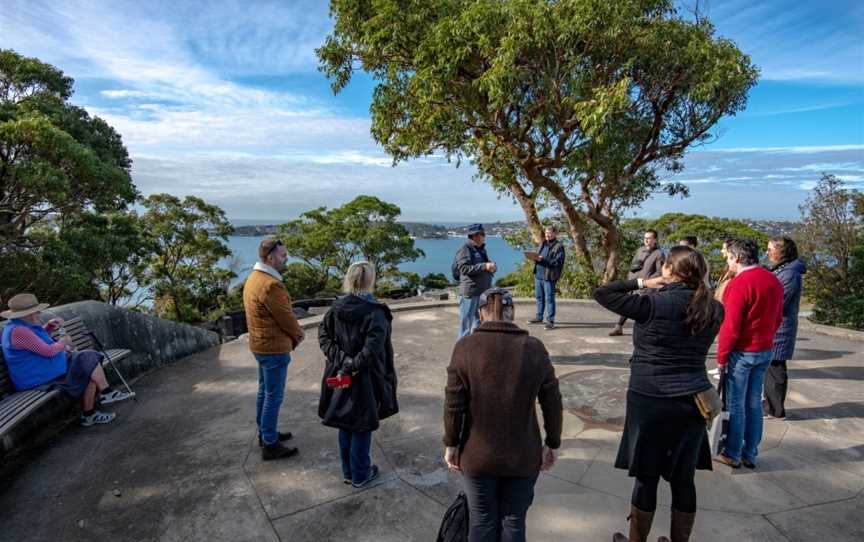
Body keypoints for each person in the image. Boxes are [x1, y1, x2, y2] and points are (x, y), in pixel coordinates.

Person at [594, 246, 724, 542]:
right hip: (692, 400)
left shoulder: (653, 303)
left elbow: (603, 293)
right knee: (683, 479)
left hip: (648, 398)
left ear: (668, 269)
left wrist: (641, 283)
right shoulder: (715, 308)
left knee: (646, 477)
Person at [443, 288, 562, 542]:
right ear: (512, 313)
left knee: (482, 519)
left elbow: (454, 404)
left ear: (479, 314)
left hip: (476, 456)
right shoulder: (534, 348)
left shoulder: (465, 347)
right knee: (514, 520)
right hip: (523, 456)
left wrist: (451, 443)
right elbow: (552, 401)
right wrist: (552, 443)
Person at [318, 261, 398, 488]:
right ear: (370, 281)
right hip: (365, 377)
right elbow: (373, 350)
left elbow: (324, 339)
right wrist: (353, 364)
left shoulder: (334, 310)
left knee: (345, 422)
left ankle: (349, 471)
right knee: (362, 425)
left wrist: (343, 362)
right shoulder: (376, 313)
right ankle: (361, 473)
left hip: (340, 374)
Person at [1, 293, 133, 426]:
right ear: (27, 314)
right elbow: (48, 351)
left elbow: (34, 341)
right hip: (36, 378)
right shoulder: (18, 331)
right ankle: (103, 397)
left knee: (89, 364)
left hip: (43, 369)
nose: (39, 313)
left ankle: (94, 409)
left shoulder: (19, 326)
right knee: (88, 360)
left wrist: (48, 328)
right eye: (36, 311)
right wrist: (64, 342)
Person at [715, 239, 783, 469]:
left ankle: (732, 452)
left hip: (742, 352)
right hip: (764, 349)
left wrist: (722, 357)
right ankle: (750, 453)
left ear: (737, 258)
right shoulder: (773, 280)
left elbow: (730, 326)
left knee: (736, 405)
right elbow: (777, 318)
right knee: (754, 403)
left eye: (728, 257)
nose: (727, 262)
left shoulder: (739, 284)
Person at [243, 238, 305, 461]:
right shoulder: (271, 284)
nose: (286, 258)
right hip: (273, 348)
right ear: (270, 258)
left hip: (260, 345)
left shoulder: (254, 278)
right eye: (282, 255)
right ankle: (270, 443)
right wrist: (298, 335)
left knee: (264, 392)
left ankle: (265, 433)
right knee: (273, 396)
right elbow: (286, 317)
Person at [763, 237, 806, 419]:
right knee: (772, 368)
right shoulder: (783, 270)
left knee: (776, 367)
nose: (767, 252)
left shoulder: (789, 274)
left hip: (780, 329)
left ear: (782, 252)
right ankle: (771, 405)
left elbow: (778, 301)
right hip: (775, 326)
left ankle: (775, 409)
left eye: (771, 249)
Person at [609, 229, 664, 336]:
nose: (646, 240)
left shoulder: (659, 254)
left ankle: (647, 331)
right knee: (627, 305)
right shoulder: (640, 250)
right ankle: (618, 327)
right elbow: (633, 265)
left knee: (644, 309)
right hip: (633, 284)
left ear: (655, 240)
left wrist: (647, 281)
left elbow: (659, 272)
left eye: (649, 238)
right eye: (645, 238)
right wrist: (630, 280)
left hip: (646, 287)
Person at [454, 224, 496, 338]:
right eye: (482, 234)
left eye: (484, 234)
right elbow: (464, 268)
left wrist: (491, 267)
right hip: (470, 293)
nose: (484, 237)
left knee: (479, 323)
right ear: (475, 236)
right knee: (466, 326)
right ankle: (461, 351)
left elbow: (483, 266)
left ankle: (475, 347)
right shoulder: (465, 249)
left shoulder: (481, 249)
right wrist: (484, 266)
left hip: (482, 292)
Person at [527, 226, 566, 330]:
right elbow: (538, 257)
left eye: (549, 233)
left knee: (549, 299)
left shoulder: (559, 247)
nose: (547, 235)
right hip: (538, 275)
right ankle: (539, 317)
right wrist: (533, 257)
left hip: (549, 277)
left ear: (555, 233)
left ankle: (550, 321)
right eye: (546, 233)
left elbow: (556, 263)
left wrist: (542, 259)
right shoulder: (542, 243)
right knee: (539, 298)